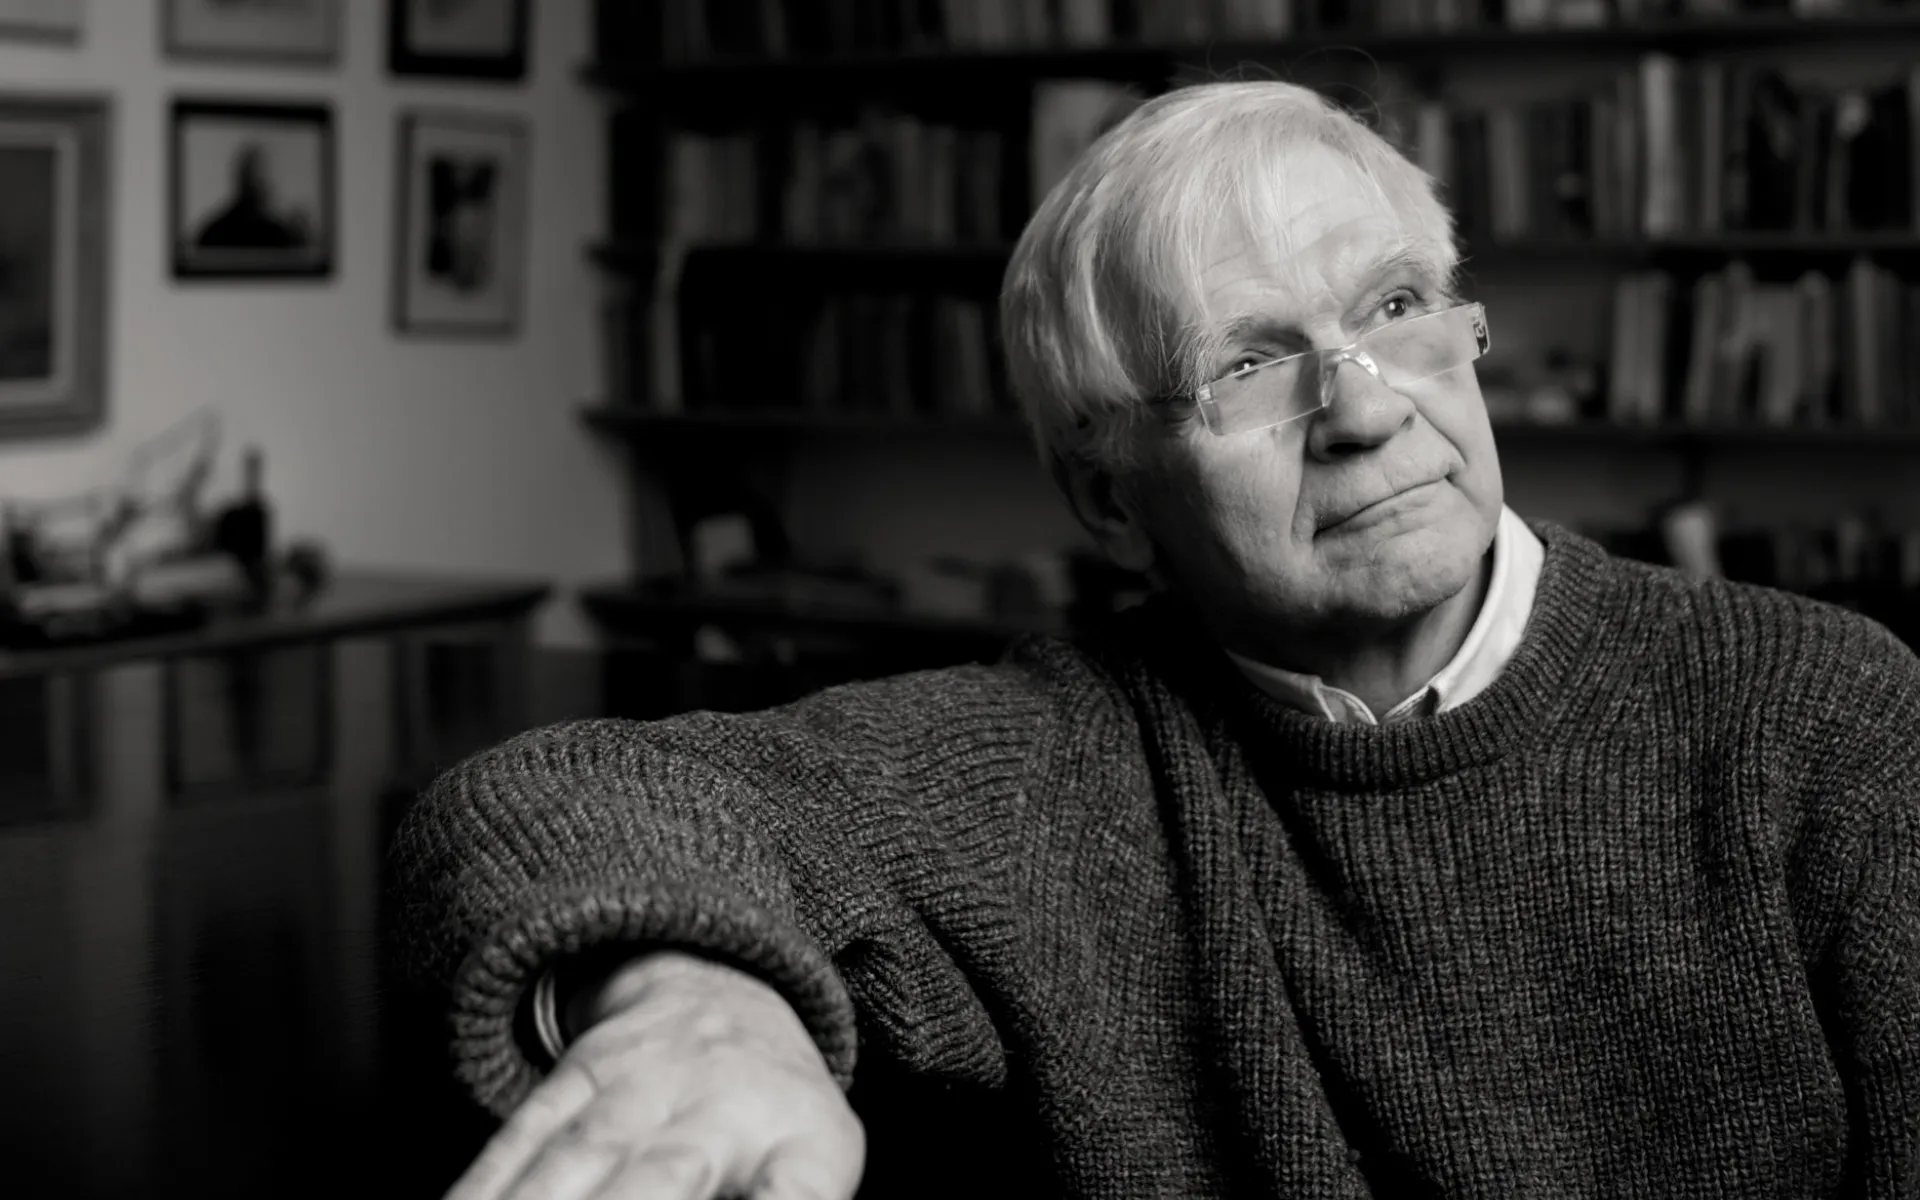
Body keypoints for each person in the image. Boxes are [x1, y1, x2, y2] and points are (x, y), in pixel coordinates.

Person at [388, 80, 1920, 1199]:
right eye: (1253, 364)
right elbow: (543, 797)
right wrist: (694, 996)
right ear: (1108, 501)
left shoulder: (1820, 716)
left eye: (1396, 307)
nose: (1370, 407)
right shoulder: (1057, 763)